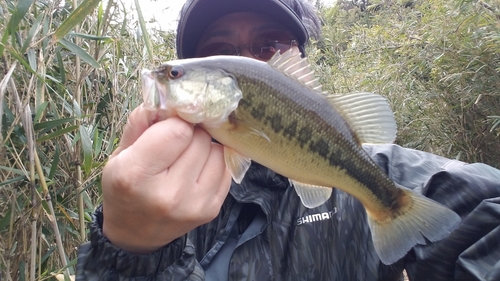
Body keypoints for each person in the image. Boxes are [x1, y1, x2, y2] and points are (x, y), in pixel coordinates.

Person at [76, 0, 500, 280]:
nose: (248, 59)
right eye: (220, 47)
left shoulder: (392, 173)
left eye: (271, 44)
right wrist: (129, 245)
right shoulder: (149, 202)